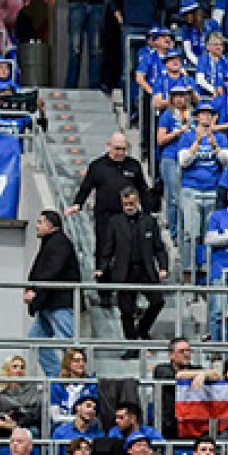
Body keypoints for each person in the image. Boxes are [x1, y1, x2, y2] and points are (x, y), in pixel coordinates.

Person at [68, 132, 151, 298]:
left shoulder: (133, 165)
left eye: (123, 149)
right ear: (109, 146)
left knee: (129, 251)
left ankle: (128, 290)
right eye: (117, 149)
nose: (120, 152)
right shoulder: (98, 166)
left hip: (127, 217)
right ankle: (104, 291)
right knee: (104, 251)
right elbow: (86, 187)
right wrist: (78, 204)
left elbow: (142, 189)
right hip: (105, 216)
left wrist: (147, 213)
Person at [98, 186, 169, 351]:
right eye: (125, 204)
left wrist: (163, 266)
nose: (129, 207)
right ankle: (131, 346)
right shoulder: (115, 222)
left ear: (137, 202)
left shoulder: (149, 221)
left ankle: (142, 329)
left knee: (157, 301)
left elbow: (159, 247)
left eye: (131, 203)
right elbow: (107, 248)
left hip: (146, 269)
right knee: (126, 311)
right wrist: (102, 268)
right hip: (124, 271)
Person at [26, 210, 82, 377]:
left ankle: (72, 379)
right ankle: (57, 376)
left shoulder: (59, 243)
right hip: (48, 303)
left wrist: (35, 291)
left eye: (40, 222)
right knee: (36, 338)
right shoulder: (52, 243)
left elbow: (52, 271)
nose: (36, 226)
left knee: (67, 343)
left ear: (49, 225)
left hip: (60, 302)